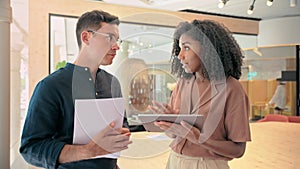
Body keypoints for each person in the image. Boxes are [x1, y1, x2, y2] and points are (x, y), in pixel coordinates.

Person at [19, 10, 132, 169]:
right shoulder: (50, 87)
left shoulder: (112, 82)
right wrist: (88, 151)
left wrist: (122, 134)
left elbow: (122, 125)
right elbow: (30, 148)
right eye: (109, 38)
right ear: (86, 37)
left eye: (117, 39)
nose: (116, 46)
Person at [149, 20, 251, 169]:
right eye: (179, 48)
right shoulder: (183, 83)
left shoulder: (231, 89)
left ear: (209, 49)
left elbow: (238, 150)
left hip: (207, 165)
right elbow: (175, 136)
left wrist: (199, 138)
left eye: (187, 48)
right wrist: (170, 124)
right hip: (174, 161)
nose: (180, 55)